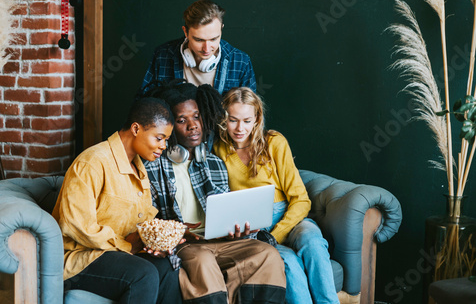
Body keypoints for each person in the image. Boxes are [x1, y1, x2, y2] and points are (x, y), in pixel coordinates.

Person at [141, 79, 286, 304]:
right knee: (203, 261)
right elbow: (148, 220)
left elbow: (225, 211)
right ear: (169, 125)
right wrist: (177, 233)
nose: (193, 125)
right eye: (182, 120)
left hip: (219, 239)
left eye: (196, 116)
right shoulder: (151, 165)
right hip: (185, 245)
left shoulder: (214, 163)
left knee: (266, 254)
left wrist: (236, 229)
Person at [213, 87, 340, 304]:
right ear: (224, 119)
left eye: (246, 120)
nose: (239, 128)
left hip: (290, 217)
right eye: (233, 120)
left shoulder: (274, 142)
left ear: (257, 119)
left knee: (313, 243)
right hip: (255, 227)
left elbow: (301, 199)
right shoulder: (219, 149)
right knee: (288, 262)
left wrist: (278, 233)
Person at [52, 97, 183, 304]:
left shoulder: (138, 168)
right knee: (144, 274)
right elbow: (76, 226)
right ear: (136, 129)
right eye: (159, 138)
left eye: (166, 140)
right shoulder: (92, 162)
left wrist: (156, 242)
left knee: (168, 267)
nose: (163, 146)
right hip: (82, 258)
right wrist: (127, 245)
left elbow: (137, 223)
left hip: (118, 254)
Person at [138, 0, 256, 97]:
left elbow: (251, 112)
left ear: (221, 28)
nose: (206, 48)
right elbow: (143, 103)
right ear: (185, 32)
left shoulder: (241, 61)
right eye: (199, 40)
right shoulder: (162, 55)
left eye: (214, 39)